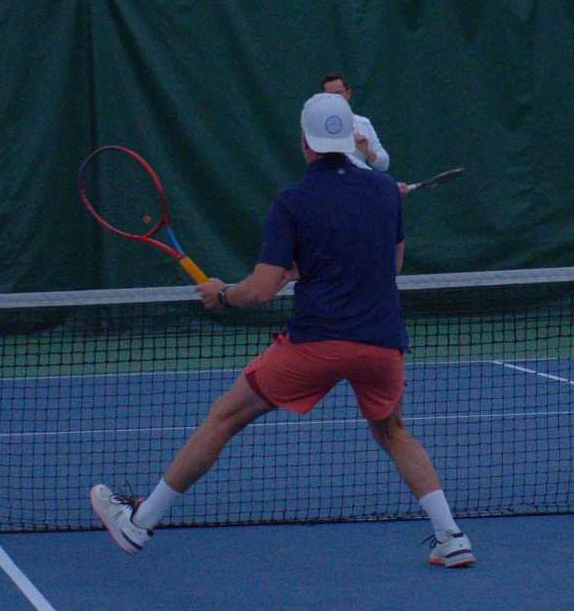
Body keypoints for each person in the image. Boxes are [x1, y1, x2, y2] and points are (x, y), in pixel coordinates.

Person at [89, 90, 474, 566]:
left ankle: (140, 523)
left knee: (226, 415)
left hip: (317, 343)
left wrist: (222, 295)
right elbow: (387, 268)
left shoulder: (291, 202)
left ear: (304, 142)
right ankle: (451, 537)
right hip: (382, 342)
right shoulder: (384, 190)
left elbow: (260, 292)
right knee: (393, 430)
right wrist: (307, 268)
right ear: (352, 135)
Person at [320, 72, 411, 194]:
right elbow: (349, 163)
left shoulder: (363, 123)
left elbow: (384, 164)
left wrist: (367, 152)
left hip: (362, 192)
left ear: (348, 94)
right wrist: (389, 184)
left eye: (338, 93)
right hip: (333, 193)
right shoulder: (321, 128)